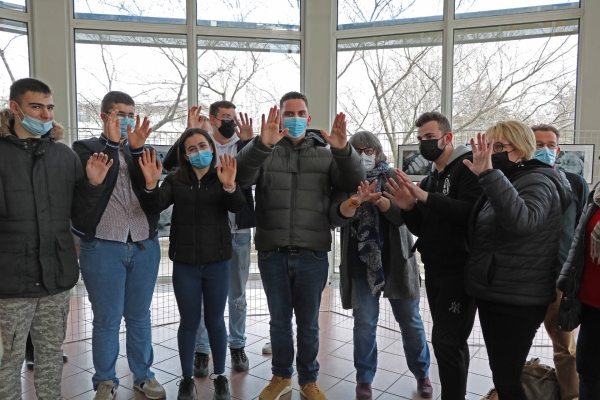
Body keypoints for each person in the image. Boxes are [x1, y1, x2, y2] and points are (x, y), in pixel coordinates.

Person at [235, 92, 365, 400]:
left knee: (308, 325)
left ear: (308, 118)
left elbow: (355, 177)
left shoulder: (326, 151)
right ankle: (281, 377)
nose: (294, 118)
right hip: (272, 252)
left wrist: (344, 149)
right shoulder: (265, 149)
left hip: (313, 253)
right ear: (280, 117)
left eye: (300, 113)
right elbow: (241, 177)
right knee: (279, 322)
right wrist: (260, 144)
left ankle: (308, 380)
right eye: (288, 113)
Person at [0, 78, 111, 400]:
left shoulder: (64, 156)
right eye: (36, 107)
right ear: (15, 108)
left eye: (49, 107)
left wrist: (92, 185)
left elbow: (80, 216)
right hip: (9, 282)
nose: (46, 115)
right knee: (8, 360)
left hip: (56, 278)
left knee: (50, 354)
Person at [463, 122, 570, 400]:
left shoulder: (538, 180)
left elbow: (522, 222)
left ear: (521, 149)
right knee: (503, 375)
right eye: (490, 146)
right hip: (498, 292)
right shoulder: (507, 178)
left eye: (499, 147)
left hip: (518, 298)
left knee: (508, 380)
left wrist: (488, 174)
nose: (492, 152)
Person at [138, 129, 246, 400]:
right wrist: (151, 184)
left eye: (203, 145)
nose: (199, 152)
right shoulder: (176, 180)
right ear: (185, 155)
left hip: (217, 263)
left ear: (211, 146)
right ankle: (186, 379)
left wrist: (230, 185)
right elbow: (154, 205)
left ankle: (220, 376)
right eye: (192, 149)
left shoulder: (223, 174)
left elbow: (238, 206)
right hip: (185, 264)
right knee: (188, 322)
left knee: (214, 322)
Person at [71, 91, 166, 400]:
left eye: (130, 114)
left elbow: (153, 200)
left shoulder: (144, 151)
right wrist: (113, 146)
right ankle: (105, 381)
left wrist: (137, 154)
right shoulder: (85, 149)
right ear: (104, 117)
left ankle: (143, 375)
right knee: (107, 318)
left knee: (139, 316)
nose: (126, 120)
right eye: (119, 114)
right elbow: (91, 192)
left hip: (143, 245)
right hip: (102, 248)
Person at [329, 131, 432, 400]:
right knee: (364, 323)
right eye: (358, 150)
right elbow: (336, 219)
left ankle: (422, 374)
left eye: (369, 149)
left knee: (410, 321)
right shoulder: (345, 181)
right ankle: (364, 379)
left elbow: (403, 218)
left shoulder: (393, 177)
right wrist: (355, 201)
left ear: (378, 151)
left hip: (397, 261)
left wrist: (381, 201)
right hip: (361, 263)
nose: (364, 154)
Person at [385, 112, 480, 400]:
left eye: (429, 137)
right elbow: (422, 228)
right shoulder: (430, 178)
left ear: (447, 137)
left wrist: (424, 198)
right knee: (448, 343)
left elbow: (467, 213)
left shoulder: (467, 168)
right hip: (435, 269)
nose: (424, 144)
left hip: (460, 270)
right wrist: (409, 208)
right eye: (420, 139)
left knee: (446, 342)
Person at [163, 103, 256, 376]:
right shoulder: (199, 143)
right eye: (226, 118)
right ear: (213, 120)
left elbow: (252, 172)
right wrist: (186, 134)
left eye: (234, 117)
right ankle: (201, 352)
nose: (232, 122)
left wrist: (250, 141)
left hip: (236, 234)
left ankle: (236, 345)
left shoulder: (243, 145)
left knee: (236, 297)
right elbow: (170, 165)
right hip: (198, 243)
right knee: (198, 307)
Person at [531, 124, 588, 400]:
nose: (544, 150)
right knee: (512, 344)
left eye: (550, 145)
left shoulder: (575, 183)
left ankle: (571, 395)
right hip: (524, 278)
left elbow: (582, 230)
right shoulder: (516, 182)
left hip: (559, 278)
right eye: (537, 144)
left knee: (564, 346)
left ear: (559, 149)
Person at [558, 183, 600, 400]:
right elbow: (579, 239)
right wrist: (566, 277)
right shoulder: (598, 193)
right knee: (587, 370)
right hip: (592, 303)